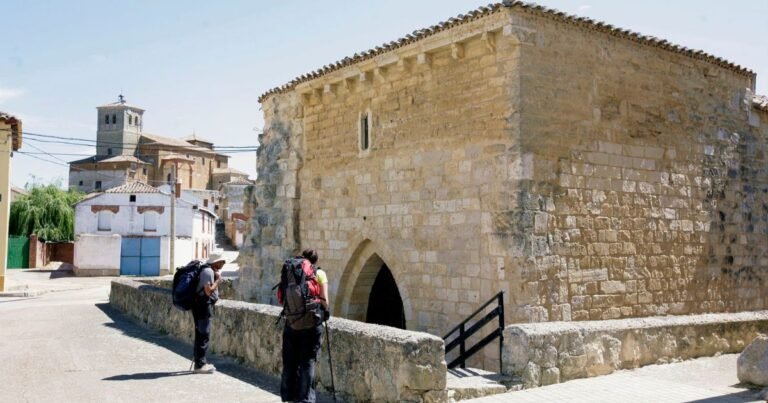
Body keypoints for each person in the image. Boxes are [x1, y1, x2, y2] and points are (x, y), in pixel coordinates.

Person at [279, 248, 329, 403]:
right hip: (311, 324)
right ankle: (306, 399)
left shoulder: (291, 270)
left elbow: (282, 298)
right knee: (307, 362)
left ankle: (289, 396)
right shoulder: (319, 273)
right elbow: (325, 301)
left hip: (291, 323)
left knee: (290, 362)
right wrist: (324, 310)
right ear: (315, 261)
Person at [192, 253, 226, 374]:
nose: (223, 264)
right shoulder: (208, 272)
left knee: (201, 334)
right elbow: (208, 291)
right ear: (216, 262)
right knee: (203, 334)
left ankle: (199, 362)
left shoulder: (207, 270)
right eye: (222, 262)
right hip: (202, 306)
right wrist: (217, 280)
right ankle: (200, 365)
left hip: (200, 305)